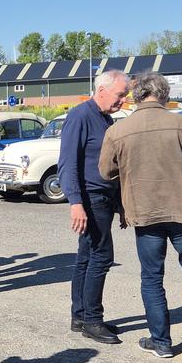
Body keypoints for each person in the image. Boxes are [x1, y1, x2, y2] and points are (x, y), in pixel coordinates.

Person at [99, 72, 182, 357]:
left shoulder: (118, 131)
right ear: (164, 95)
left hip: (144, 212)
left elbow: (106, 171)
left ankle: (160, 341)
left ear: (137, 96)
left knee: (151, 277)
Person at [56, 69, 129, 344]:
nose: (123, 100)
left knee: (86, 257)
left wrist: (120, 203)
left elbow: (112, 165)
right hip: (90, 198)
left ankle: (81, 316)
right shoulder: (80, 116)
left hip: (104, 198)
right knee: (101, 256)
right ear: (102, 90)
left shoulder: (105, 118)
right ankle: (92, 321)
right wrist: (75, 202)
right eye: (120, 94)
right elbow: (67, 163)